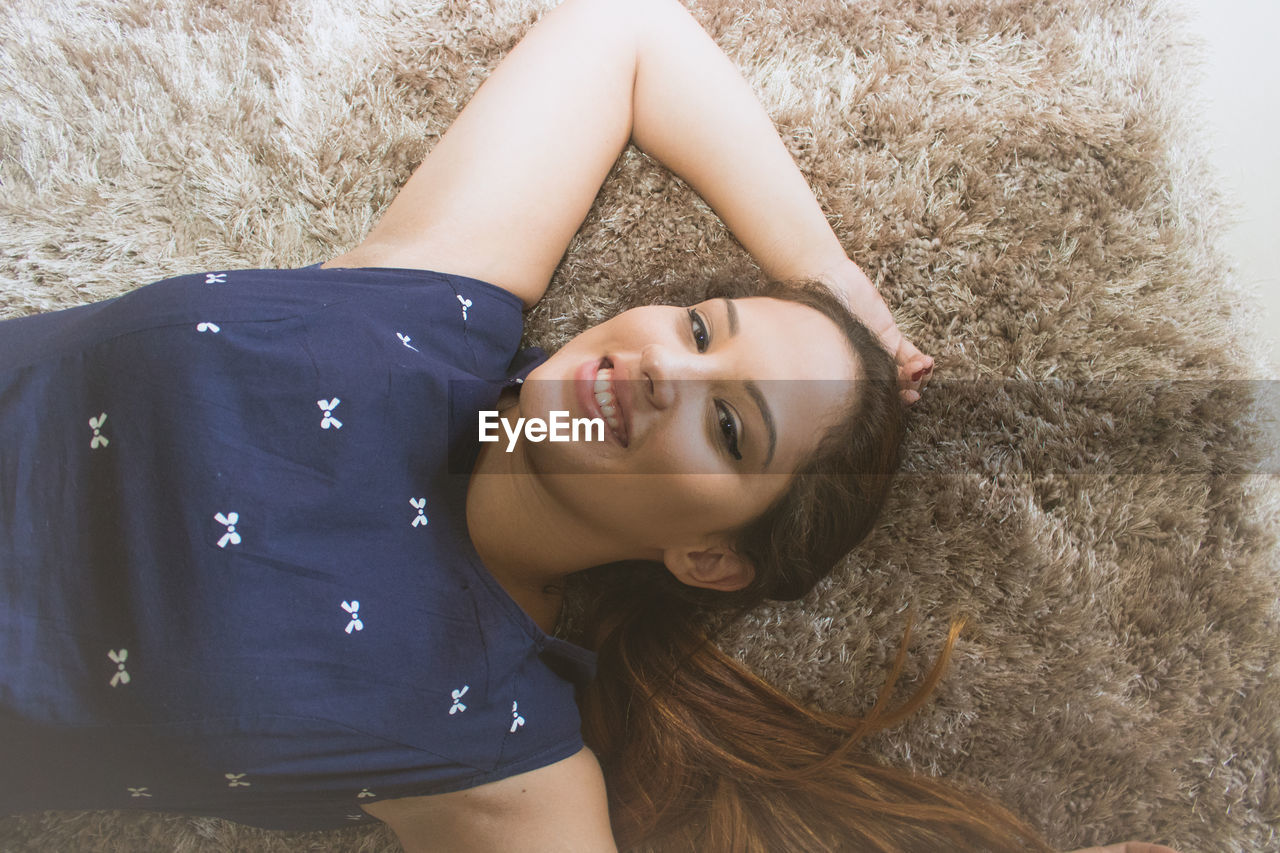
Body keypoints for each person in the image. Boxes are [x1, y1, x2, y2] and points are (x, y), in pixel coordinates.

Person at [0, 0, 1182, 850]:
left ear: (709, 556)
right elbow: (625, 31)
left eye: (728, 427)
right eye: (701, 325)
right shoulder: (437, 306)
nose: (659, 365)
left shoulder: (494, 744)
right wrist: (831, 281)